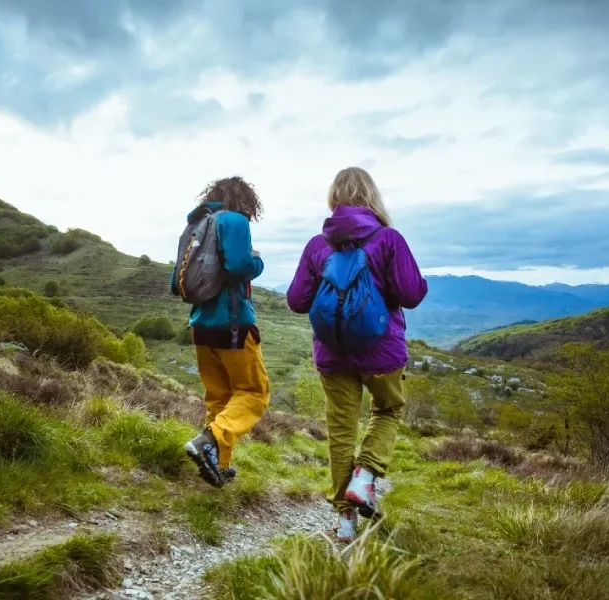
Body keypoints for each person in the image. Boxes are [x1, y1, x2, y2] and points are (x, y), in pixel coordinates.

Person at [286, 166, 428, 543]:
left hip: (332, 356)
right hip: (382, 353)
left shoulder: (318, 245)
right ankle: (365, 477)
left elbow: (296, 300)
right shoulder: (388, 239)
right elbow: (412, 295)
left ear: (334, 197)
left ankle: (345, 524)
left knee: (340, 433)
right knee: (388, 410)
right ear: (371, 196)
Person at [171, 176, 271, 488]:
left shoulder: (194, 227)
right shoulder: (234, 220)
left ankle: (217, 465)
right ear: (244, 202)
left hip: (200, 327)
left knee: (219, 399)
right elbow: (240, 267)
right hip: (233, 326)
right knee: (254, 393)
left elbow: (176, 283)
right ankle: (211, 440)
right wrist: (257, 261)